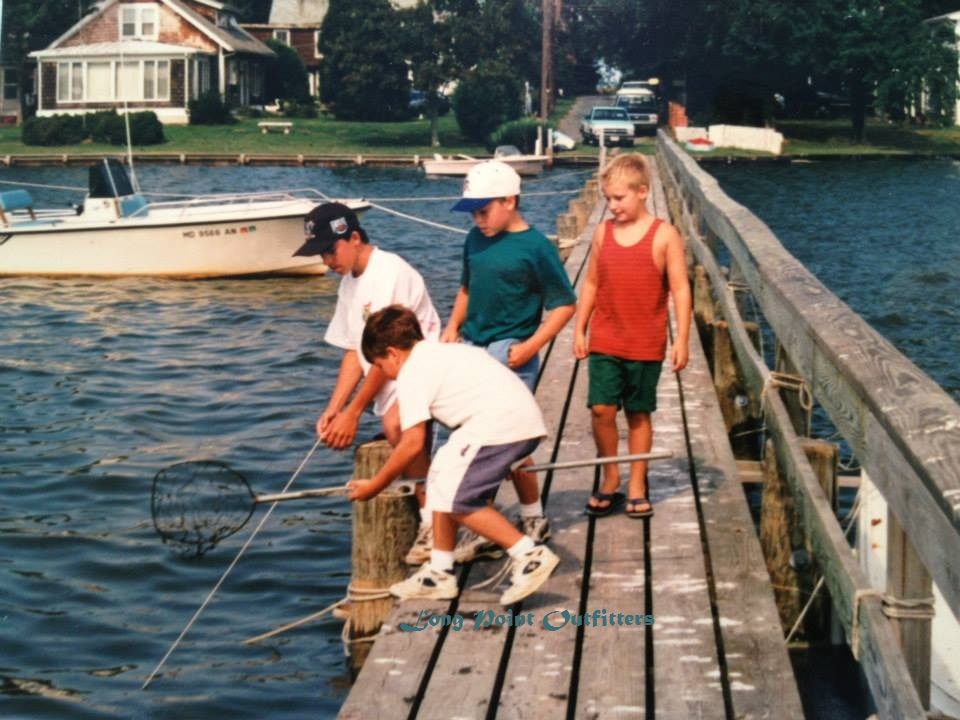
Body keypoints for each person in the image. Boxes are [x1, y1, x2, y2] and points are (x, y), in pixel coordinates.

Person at [348, 305, 560, 604]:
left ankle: (530, 554)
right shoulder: (448, 351)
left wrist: (374, 485)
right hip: (519, 420)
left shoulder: (411, 373)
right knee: (440, 478)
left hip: (496, 426)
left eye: (380, 365)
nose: (386, 375)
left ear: (393, 353)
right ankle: (439, 571)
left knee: (458, 500)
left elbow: (411, 443)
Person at [442, 160, 577, 561]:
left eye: (484, 211)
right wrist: (452, 328)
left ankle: (530, 516)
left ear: (510, 200)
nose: (478, 220)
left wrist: (533, 344)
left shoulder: (535, 247)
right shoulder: (474, 240)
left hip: (512, 351)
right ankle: (484, 518)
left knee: (506, 442)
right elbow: (467, 289)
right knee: (468, 438)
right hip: (474, 348)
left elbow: (565, 304)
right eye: (473, 213)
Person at [294, 202, 440, 562]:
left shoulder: (389, 272)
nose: (327, 261)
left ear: (354, 237)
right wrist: (335, 410)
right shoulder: (348, 285)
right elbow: (352, 352)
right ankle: (431, 514)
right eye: (321, 253)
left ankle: (435, 524)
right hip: (390, 374)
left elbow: (386, 352)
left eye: (331, 250)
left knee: (395, 424)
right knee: (390, 426)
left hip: (422, 366)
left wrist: (355, 413)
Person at [573, 153, 691, 518]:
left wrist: (682, 339)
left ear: (642, 192)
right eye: (608, 199)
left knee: (639, 413)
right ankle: (611, 475)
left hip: (645, 342)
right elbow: (591, 282)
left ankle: (637, 481)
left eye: (619, 198)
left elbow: (681, 289)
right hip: (606, 338)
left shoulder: (664, 236)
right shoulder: (602, 232)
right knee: (601, 409)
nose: (612, 206)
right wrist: (579, 328)